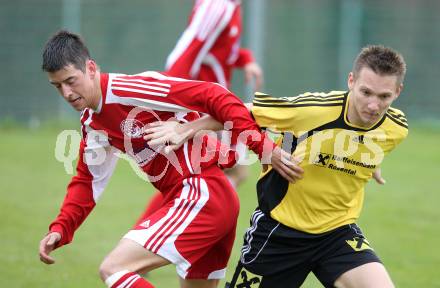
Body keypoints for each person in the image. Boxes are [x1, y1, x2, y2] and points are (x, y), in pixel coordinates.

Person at [37, 30, 302, 288]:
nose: (66, 93)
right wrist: (61, 227)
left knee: (114, 268)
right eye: (57, 86)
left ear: (91, 68)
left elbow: (214, 95)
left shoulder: (130, 89)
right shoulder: (93, 123)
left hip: (200, 194)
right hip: (211, 198)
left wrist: (263, 147)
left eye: (71, 81)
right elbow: (88, 181)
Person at [142, 45, 408, 288]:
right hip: (279, 234)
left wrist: (370, 164)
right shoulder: (312, 110)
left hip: (337, 234)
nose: (373, 105)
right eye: (366, 92)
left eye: (384, 96)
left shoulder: (396, 128)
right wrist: (186, 128)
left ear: (398, 92)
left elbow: (367, 143)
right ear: (351, 81)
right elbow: (240, 112)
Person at [136, 0, 264, 225]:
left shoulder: (232, 7)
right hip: (204, 108)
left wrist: (246, 60)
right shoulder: (217, 6)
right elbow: (184, 53)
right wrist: (169, 105)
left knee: (223, 175)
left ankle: (187, 222)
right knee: (209, 177)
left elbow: (219, 52)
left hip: (216, 106)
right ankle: (149, 232)